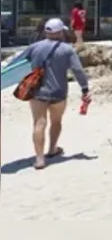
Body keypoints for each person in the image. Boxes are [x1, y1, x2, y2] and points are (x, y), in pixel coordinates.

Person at [6, 18, 91, 170]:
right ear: (60, 32)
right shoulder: (67, 49)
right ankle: (52, 149)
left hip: (37, 92)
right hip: (59, 92)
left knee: (39, 123)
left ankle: (39, 159)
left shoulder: (34, 47)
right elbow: (78, 70)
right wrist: (85, 88)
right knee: (56, 122)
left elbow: (15, 64)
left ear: (46, 31)